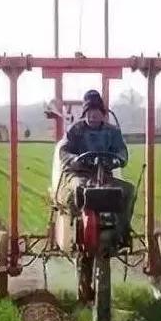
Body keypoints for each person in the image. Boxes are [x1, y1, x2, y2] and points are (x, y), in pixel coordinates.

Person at [55, 89, 136, 244]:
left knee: (128, 190)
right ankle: (76, 232)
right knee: (78, 189)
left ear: (102, 113)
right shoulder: (75, 130)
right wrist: (74, 160)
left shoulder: (112, 132)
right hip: (79, 174)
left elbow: (122, 152)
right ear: (84, 113)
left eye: (96, 111)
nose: (93, 115)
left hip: (104, 175)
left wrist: (117, 160)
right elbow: (63, 151)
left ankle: (121, 232)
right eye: (89, 112)